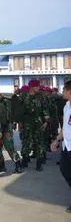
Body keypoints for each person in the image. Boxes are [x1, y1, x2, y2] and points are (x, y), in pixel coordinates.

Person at [0, 83, 22, 174]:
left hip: (6, 128)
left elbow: (10, 116)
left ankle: (18, 163)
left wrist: (9, 128)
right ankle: (1, 166)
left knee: (9, 147)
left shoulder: (6, 101)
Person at [51, 80, 71, 214]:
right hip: (66, 146)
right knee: (65, 170)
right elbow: (65, 126)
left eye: (64, 90)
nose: (62, 92)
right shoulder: (66, 106)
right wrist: (57, 139)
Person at [21, 79, 50, 171]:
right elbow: (19, 111)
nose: (38, 88)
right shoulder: (23, 96)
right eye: (36, 86)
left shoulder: (41, 97)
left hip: (38, 121)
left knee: (39, 142)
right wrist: (19, 123)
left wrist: (46, 121)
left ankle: (39, 163)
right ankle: (25, 160)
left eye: (38, 86)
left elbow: (45, 109)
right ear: (31, 87)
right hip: (26, 121)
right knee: (26, 141)